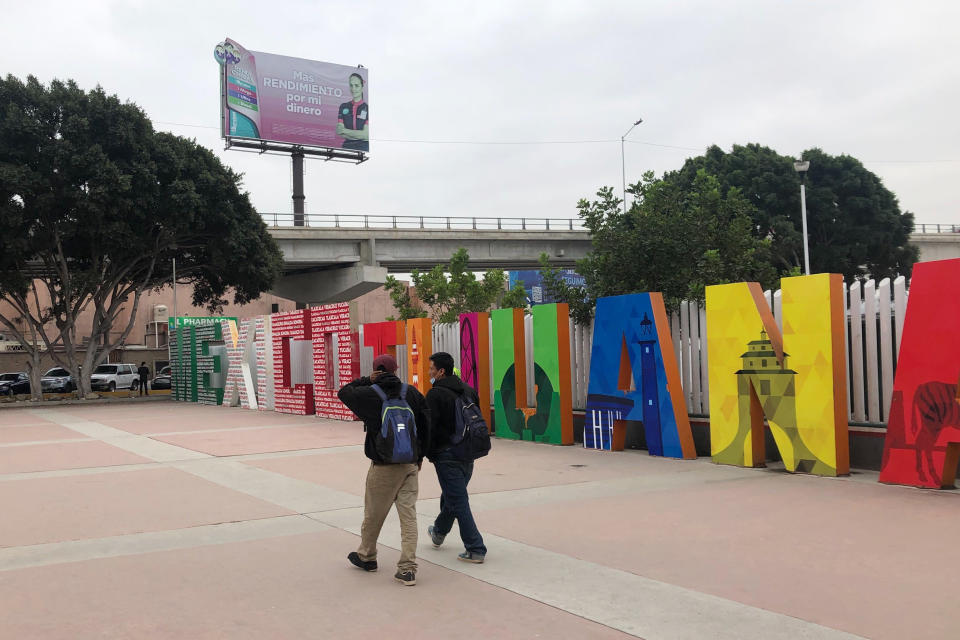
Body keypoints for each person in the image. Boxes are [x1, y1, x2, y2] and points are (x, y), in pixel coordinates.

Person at [337, 354, 430, 586]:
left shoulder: (369, 394)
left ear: (375, 371)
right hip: (410, 463)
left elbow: (344, 392)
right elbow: (426, 424)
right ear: (396, 370)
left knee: (374, 514)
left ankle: (367, 556)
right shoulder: (411, 393)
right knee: (408, 516)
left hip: (384, 466)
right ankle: (407, 568)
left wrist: (366, 380)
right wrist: (420, 456)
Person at [425, 352, 487, 563]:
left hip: (447, 455)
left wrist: (428, 453)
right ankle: (439, 531)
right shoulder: (468, 390)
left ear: (441, 371)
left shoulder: (435, 394)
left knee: (458, 500)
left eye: (431, 369)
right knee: (453, 495)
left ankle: (475, 548)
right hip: (468, 452)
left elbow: (429, 428)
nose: (429, 373)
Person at [336, 72, 369, 152]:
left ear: (362, 87)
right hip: (347, 146)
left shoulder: (367, 108)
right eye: (351, 85)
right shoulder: (343, 106)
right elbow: (339, 131)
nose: (353, 89)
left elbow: (365, 135)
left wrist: (346, 131)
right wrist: (359, 134)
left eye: (356, 86)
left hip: (363, 146)